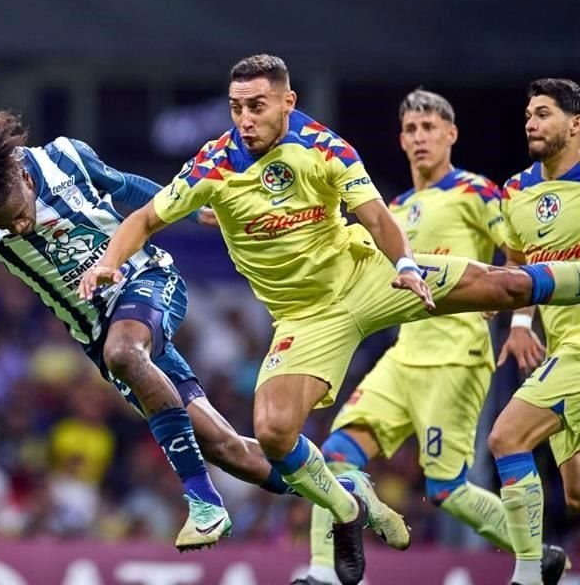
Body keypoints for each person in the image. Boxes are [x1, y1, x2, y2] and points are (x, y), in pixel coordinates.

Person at [78, 54, 580, 585]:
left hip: (368, 276)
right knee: (272, 432)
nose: (245, 119)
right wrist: (110, 262)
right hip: (305, 317)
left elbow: (376, 216)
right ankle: (346, 511)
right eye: (236, 108)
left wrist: (407, 265)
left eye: (257, 106)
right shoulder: (214, 164)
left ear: (287, 102)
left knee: (504, 285)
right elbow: (144, 217)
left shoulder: (322, 145)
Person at [0, 110, 294, 552]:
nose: (19, 227)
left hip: (146, 280)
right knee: (226, 448)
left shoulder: (66, 157)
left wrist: (195, 211)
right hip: (97, 331)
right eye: (6, 224)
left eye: (19, 211)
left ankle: (204, 504)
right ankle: (333, 488)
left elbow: (129, 190)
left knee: (125, 351)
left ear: (23, 174)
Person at [297, 89, 567, 585]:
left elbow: (521, 253)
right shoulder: (393, 209)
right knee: (335, 452)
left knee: (447, 487)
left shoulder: (478, 193)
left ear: (451, 135)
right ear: (401, 139)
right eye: (412, 130)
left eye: (429, 128)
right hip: (403, 357)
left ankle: (539, 552)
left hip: (455, 358)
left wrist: (518, 314)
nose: (420, 138)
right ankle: (322, 573)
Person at [488, 78, 580, 585]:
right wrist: (520, 322)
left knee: (506, 436)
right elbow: (518, 261)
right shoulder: (518, 191)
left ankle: (527, 574)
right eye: (528, 114)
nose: (531, 122)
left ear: (575, 124)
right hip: (561, 344)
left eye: (543, 113)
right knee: (575, 494)